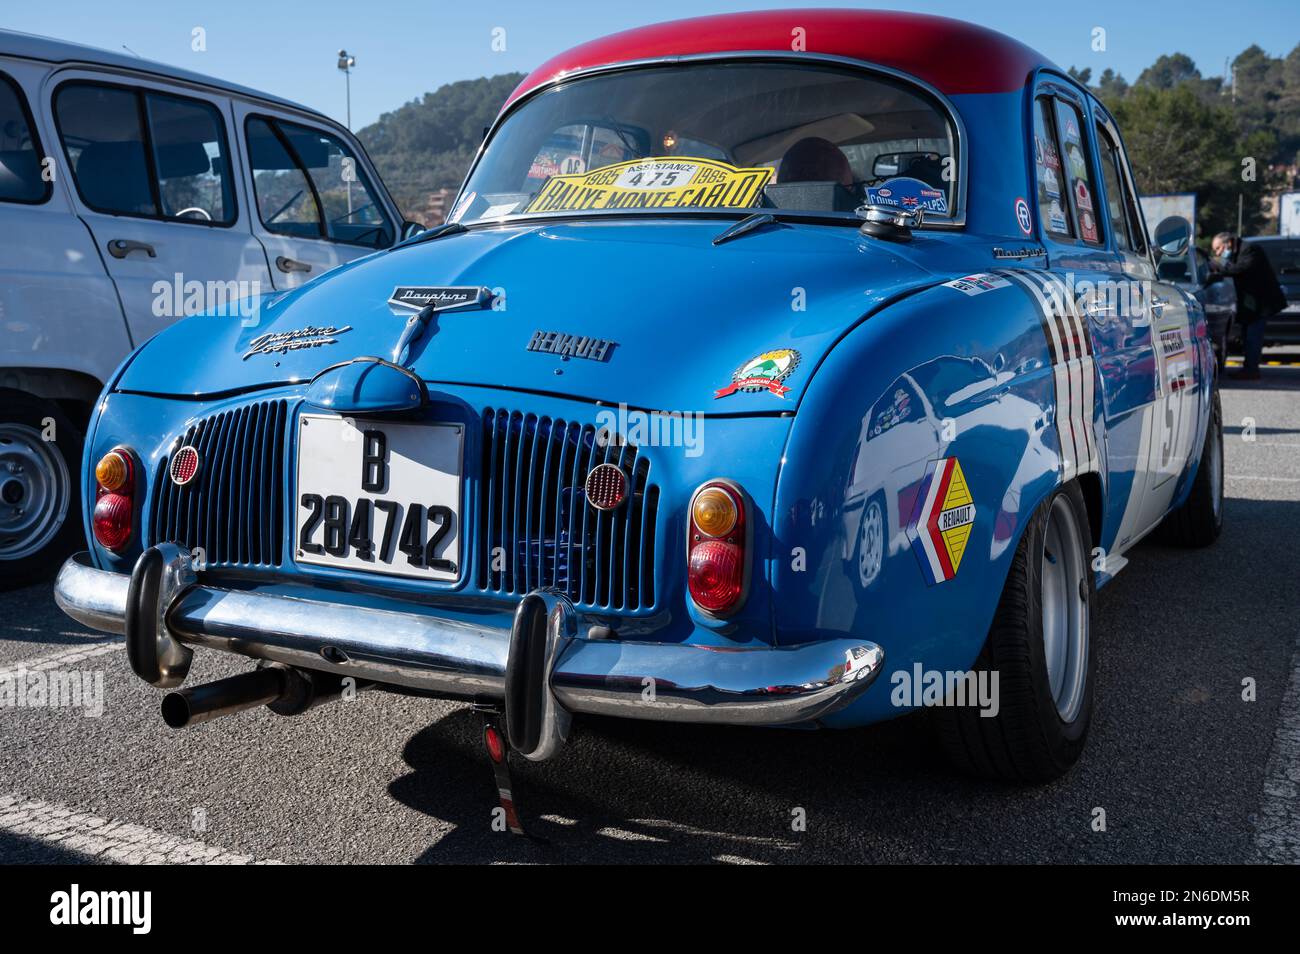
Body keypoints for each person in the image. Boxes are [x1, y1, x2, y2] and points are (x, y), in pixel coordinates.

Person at [1207, 231, 1287, 380]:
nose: (1217, 253)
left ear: (1228, 244)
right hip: (1251, 305)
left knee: (1253, 337)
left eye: (1218, 249)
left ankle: (1251, 370)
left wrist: (1219, 265)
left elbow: (1239, 269)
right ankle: (1249, 367)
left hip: (1260, 304)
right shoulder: (1238, 252)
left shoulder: (1250, 249)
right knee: (1248, 336)